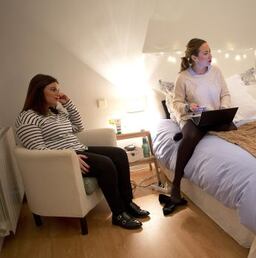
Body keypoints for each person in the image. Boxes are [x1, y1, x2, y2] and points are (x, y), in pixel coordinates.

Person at [15, 74, 150, 229]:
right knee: (106, 164)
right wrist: (69, 159)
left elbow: (78, 128)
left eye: (58, 89)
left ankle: (127, 203)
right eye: (53, 89)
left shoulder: (55, 112)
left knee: (119, 154)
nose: (58, 93)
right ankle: (118, 214)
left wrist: (69, 104)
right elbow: (38, 150)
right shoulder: (27, 117)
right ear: (38, 91)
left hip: (77, 149)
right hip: (64, 160)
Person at [159, 38, 233, 215]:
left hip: (214, 116)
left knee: (232, 128)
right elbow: (176, 102)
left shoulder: (216, 72)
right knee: (190, 137)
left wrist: (223, 108)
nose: (210, 56)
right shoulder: (183, 77)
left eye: (210, 52)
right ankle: (176, 185)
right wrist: (187, 107)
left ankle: (186, 134)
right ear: (194, 57)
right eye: (205, 53)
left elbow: (226, 94)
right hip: (193, 118)